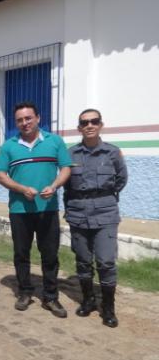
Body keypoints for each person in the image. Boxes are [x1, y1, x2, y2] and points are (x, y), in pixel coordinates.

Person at [0, 101, 71, 318]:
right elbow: (0, 175)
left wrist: (55, 185)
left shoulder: (55, 141)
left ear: (38, 118)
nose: (24, 123)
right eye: (19, 120)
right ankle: (25, 292)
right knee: (21, 254)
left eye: (28, 118)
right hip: (19, 210)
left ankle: (50, 297)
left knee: (50, 255)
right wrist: (21, 189)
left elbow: (66, 168)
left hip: (48, 208)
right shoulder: (9, 146)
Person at [64, 109, 127, 328]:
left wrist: (101, 198)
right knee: (82, 260)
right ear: (79, 127)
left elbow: (121, 180)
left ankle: (108, 308)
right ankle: (88, 300)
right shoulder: (70, 154)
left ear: (101, 125)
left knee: (106, 261)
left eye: (94, 121)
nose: (89, 125)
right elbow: (65, 183)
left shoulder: (112, 153)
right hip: (78, 212)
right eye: (85, 122)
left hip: (105, 212)